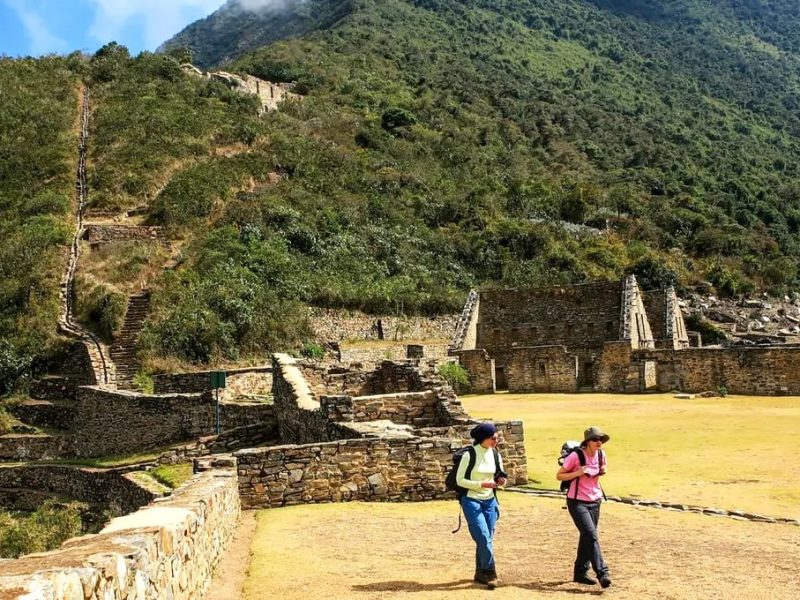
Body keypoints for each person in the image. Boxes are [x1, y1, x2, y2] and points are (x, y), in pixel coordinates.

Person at [556, 426, 612, 588]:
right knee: (591, 535)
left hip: (595, 500)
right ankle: (603, 573)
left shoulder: (601, 455)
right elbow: (559, 475)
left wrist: (603, 470)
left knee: (587, 536)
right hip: (577, 501)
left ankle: (580, 572)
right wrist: (578, 473)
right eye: (595, 439)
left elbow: (605, 468)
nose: (599, 442)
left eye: (601, 439)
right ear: (587, 441)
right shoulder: (576, 456)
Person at [456, 422, 508, 589]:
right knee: (484, 536)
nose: (496, 441)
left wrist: (501, 480)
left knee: (487, 538)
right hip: (471, 500)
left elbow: (499, 475)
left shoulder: (495, 454)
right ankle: (491, 572)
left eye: (497, 437)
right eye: (493, 438)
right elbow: (460, 480)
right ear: (483, 439)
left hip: (490, 500)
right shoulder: (469, 455)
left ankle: (480, 572)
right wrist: (481, 484)